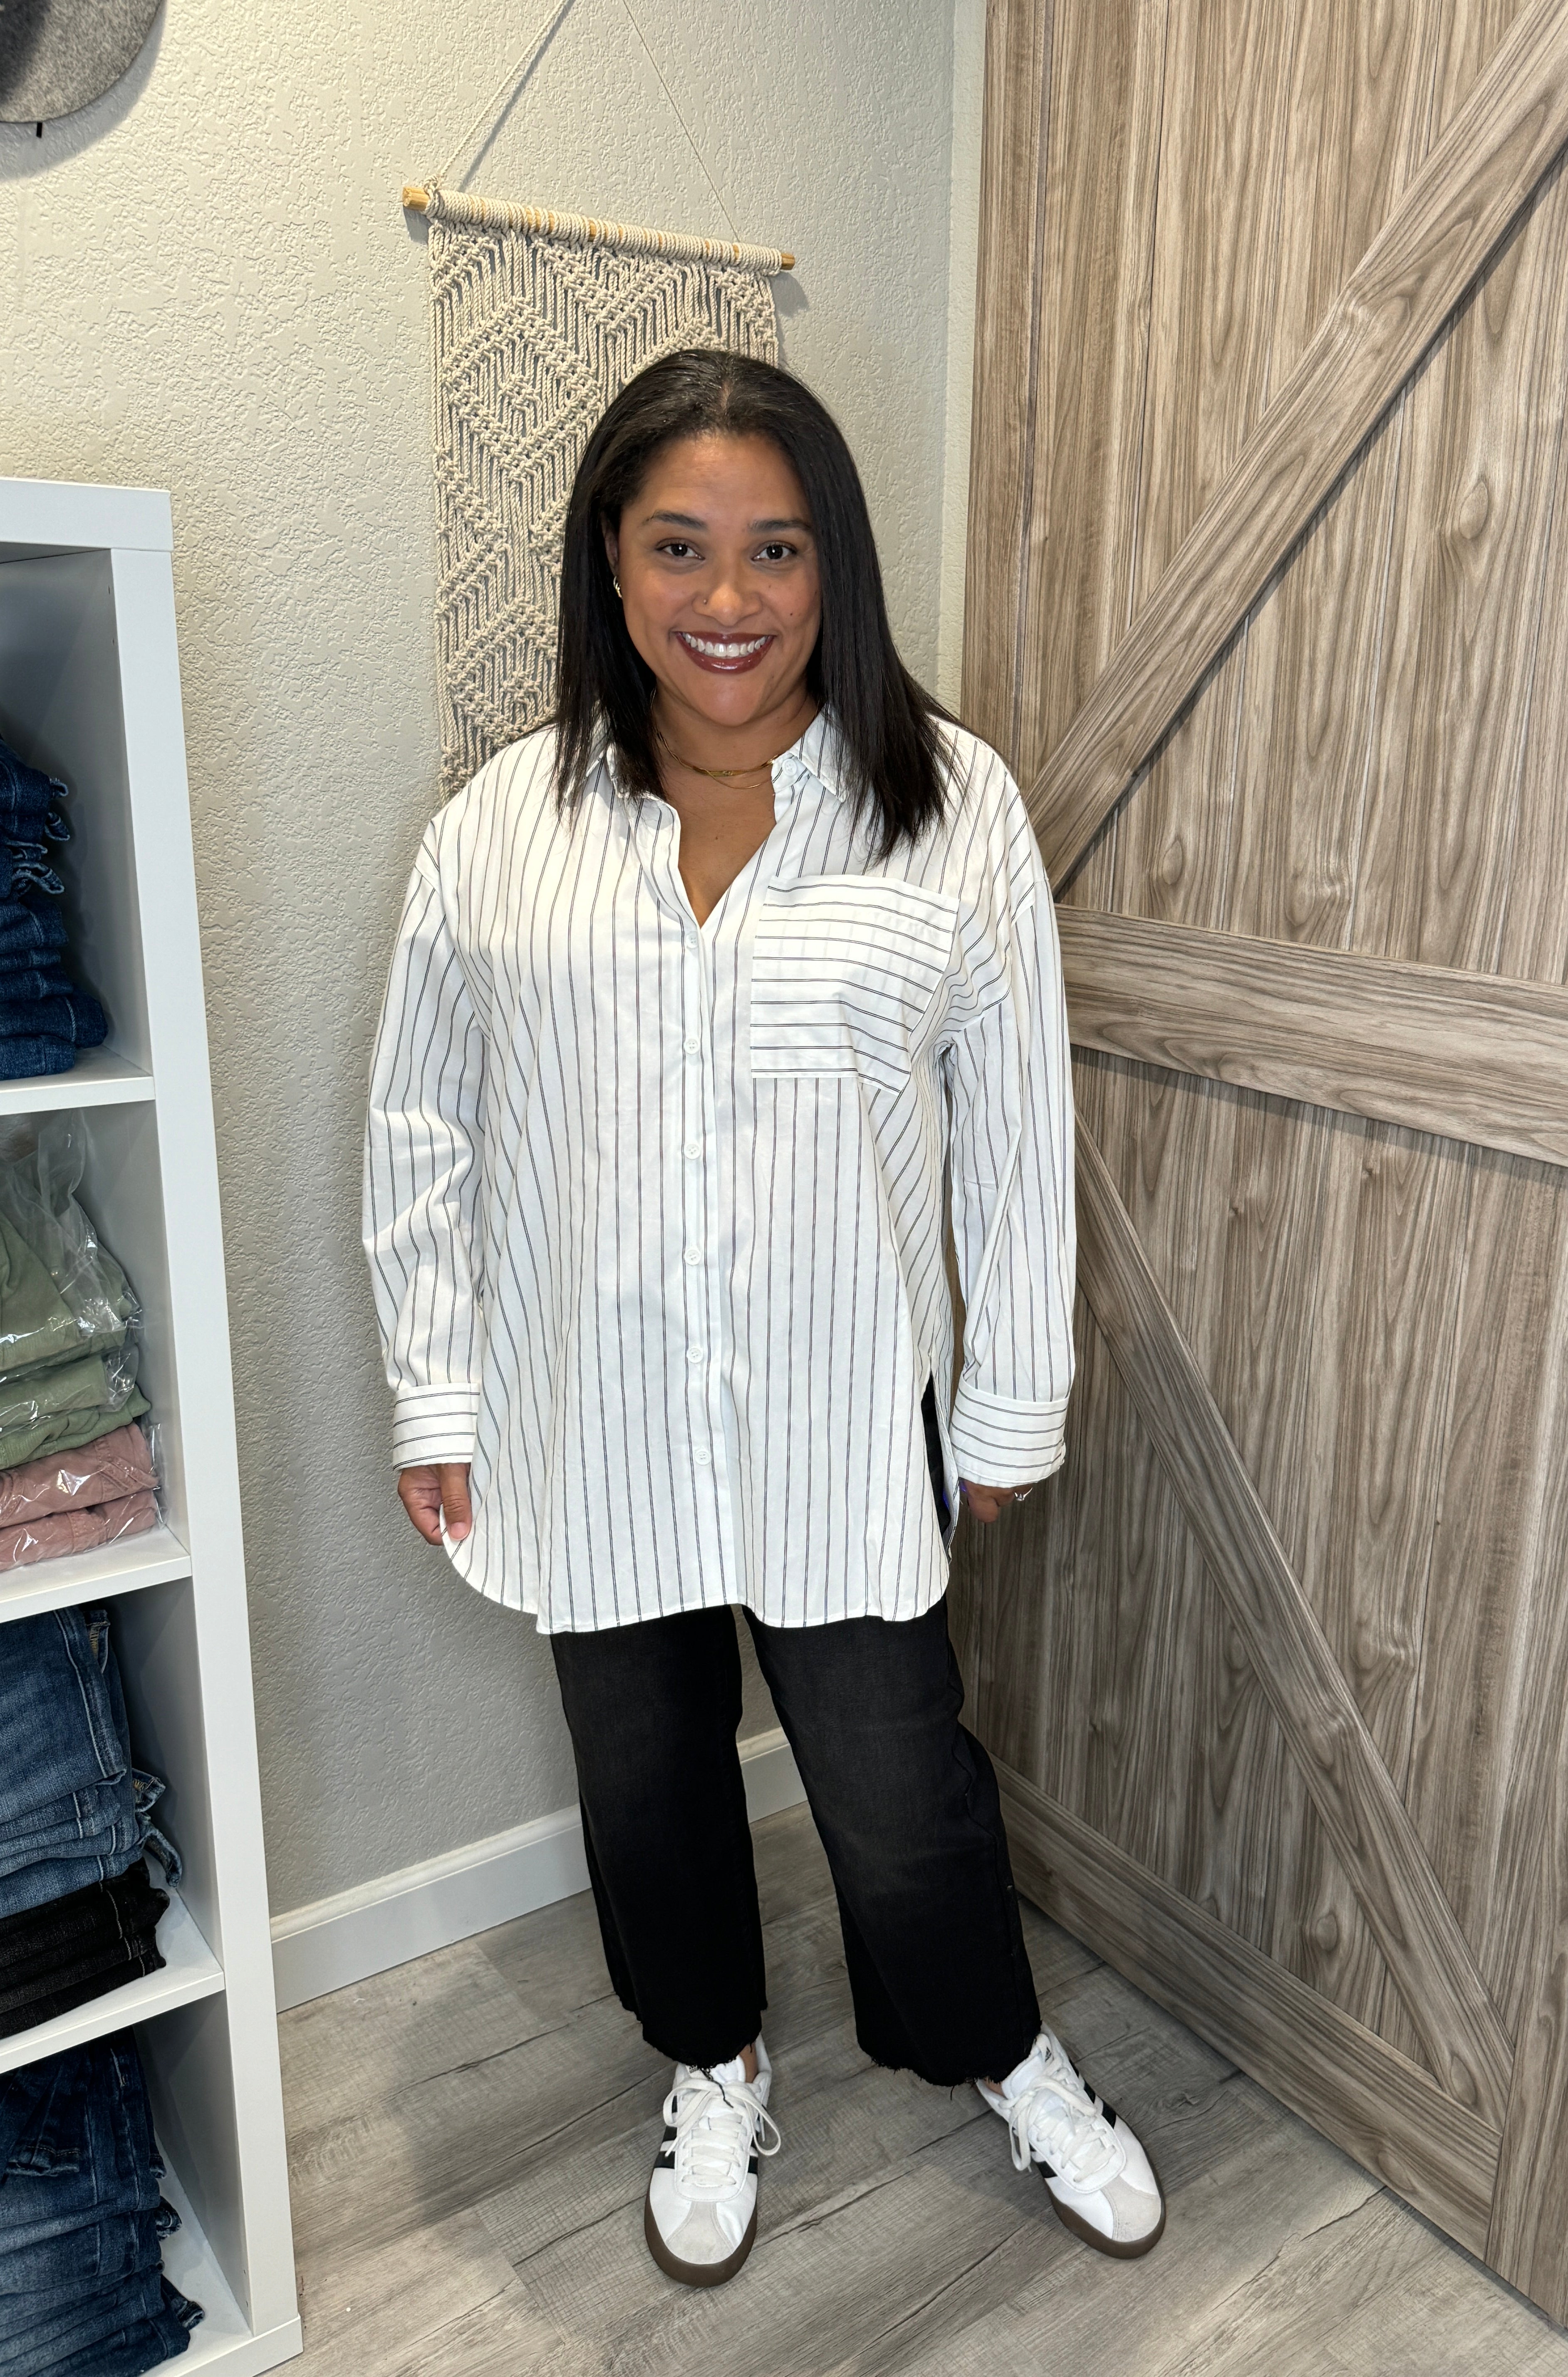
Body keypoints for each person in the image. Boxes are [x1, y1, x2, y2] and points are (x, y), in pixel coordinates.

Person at [363, 348, 1165, 2289]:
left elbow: (1011, 1119)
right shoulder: (503, 826)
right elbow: (422, 1119)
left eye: (777, 548)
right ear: (612, 569)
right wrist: (434, 1394)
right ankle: (709, 2052)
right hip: (588, 1409)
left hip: (840, 1410)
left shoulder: (945, 808)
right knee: (644, 1786)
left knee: (901, 1797)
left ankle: (993, 2046)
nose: (731, 600)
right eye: (681, 547)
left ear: (834, 568)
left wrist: (1010, 1409)